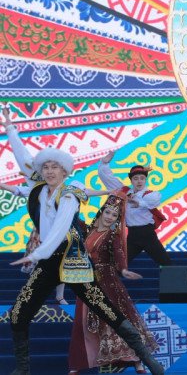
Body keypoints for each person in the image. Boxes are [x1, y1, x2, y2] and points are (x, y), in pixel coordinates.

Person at [2, 106, 163, 375]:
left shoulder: (71, 191)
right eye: (46, 167)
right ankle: (22, 369)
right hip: (49, 262)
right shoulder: (38, 189)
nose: (50, 171)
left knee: (106, 310)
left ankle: (147, 358)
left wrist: (37, 252)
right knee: (19, 314)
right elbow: (24, 158)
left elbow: (61, 226)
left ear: (65, 171)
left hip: (73, 259)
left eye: (55, 167)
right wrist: (9, 127)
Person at [67, 194, 158, 374]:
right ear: (101, 212)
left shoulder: (112, 236)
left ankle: (136, 360)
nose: (109, 217)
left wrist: (124, 270)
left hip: (107, 283)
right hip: (86, 281)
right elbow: (72, 222)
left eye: (114, 215)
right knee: (83, 323)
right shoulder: (87, 230)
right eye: (107, 212)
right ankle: (79, 363)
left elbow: (119, 253)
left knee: (117, 320)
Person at [98, 151, 171, 266]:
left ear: (145, 180)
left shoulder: (149, 194)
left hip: (147, 234)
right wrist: (104, 164)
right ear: (131, 180)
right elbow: (108, 179)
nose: (139, 181)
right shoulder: (125, 191)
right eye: (136, 178)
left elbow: (154, 201)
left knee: (166, 264)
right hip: (132, 235)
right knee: (119, 265)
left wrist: (139, 203)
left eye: (142, 178)